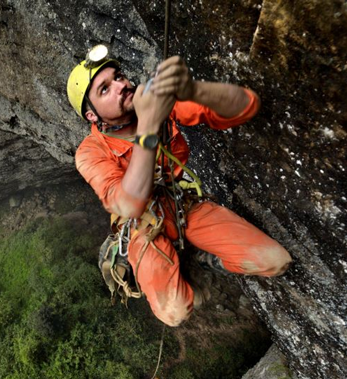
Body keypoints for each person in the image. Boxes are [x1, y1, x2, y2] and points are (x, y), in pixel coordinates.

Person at [67, 47, 292, 327]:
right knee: (175, 312)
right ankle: (179, 265)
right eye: (105, 89)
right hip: (143, 226)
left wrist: (194, 90)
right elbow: (128, 203)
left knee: (275, 260)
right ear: (92, 116)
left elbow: (247, 105)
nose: (121, 86)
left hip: (182, 204)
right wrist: (149, 124)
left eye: (119, 77)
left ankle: (205, 260)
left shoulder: (155, 102)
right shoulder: (90, 152)